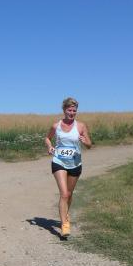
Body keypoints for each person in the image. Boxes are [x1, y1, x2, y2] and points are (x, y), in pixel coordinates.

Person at [45, 97, 92, 238]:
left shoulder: (81, 126)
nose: (72, 113)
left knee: (69, 194)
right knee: (64, 194)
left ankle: (65, 214)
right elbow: (47, 138)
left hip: (75, 163)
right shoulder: (56, 126)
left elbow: (89, 145)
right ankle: (64, 225)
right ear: (64, 110)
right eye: (69, 110)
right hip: (59, 161)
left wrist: (85, 141)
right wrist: (50, 146)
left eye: (74, 110)